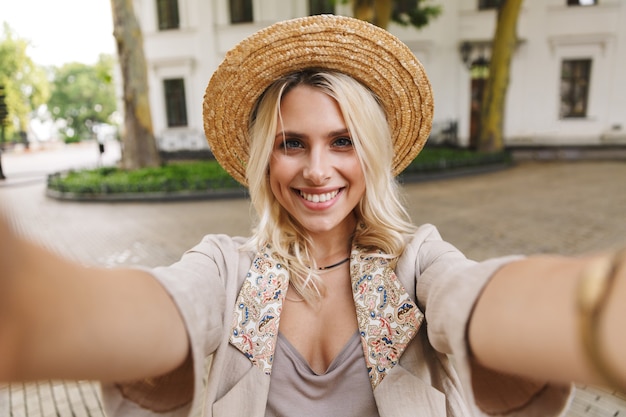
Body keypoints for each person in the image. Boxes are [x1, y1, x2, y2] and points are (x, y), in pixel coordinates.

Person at [0, 14, 625, 417]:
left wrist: (595, 315)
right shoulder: (226, 266)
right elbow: (168, 308)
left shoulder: (417, 262)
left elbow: (480, 299)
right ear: (265, 157)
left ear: (372, 154)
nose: (317, 170)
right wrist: (45, 307)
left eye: (343, 141)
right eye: (292, 142)